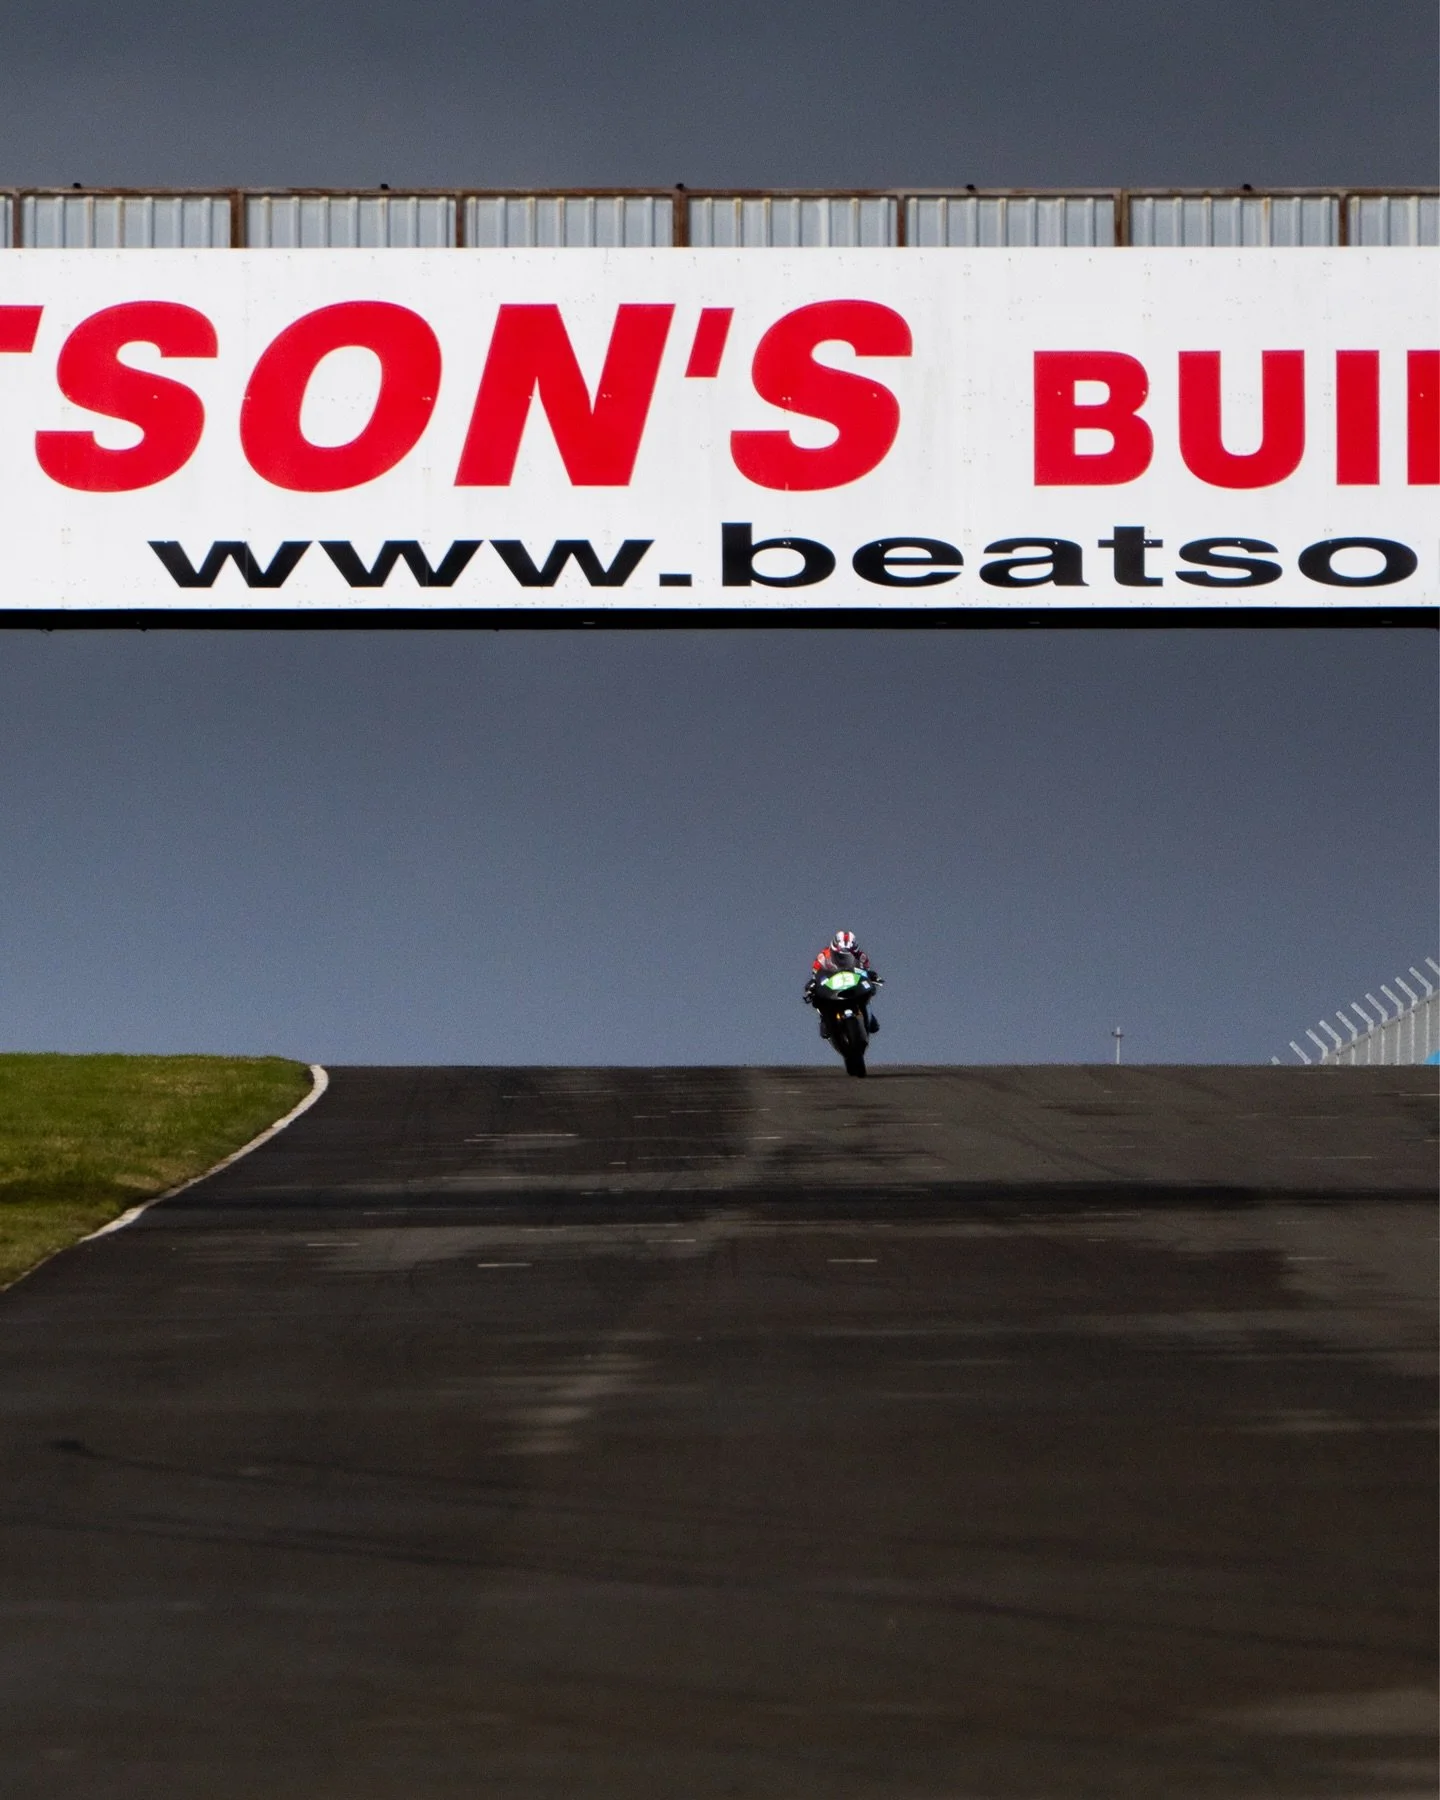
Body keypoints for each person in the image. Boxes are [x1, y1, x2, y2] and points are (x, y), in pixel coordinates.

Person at [804, 930, 881, 1038]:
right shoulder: (823, 956)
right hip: (833, 981)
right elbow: (816, 974)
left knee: (868, 991)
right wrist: (813, 985)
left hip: (852, 981)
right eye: (840, 955)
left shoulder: (861, 956)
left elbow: (865, 970)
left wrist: (872, 976)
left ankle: (869, 1016)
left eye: (850, 954)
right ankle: (824, 1019)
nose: (844, 958)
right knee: (817, 996)